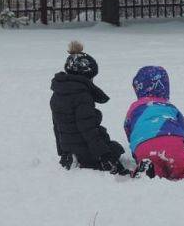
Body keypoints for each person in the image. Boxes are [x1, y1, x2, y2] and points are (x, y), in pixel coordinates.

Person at [50, 41, 129, 175]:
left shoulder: (58, 93)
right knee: (116, 149)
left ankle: (74, 156)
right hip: (86, 151)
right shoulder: (82, 96)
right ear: (86, 76)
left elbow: (57, 126)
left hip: (70, 148)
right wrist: (104, 156)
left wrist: (64, 152)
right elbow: (88, 129)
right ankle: (85, 159)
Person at [124, 66, 184, 179]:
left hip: (144, 146)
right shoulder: (170, 107)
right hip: (172, 143)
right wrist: (183, 144)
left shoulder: (134, 108)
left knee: (154, 167)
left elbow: (128, 129)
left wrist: (136, 150)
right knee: (183, 165)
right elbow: (182, 128)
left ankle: (149, 169)